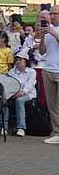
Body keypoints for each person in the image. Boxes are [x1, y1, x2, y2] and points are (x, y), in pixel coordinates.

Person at [38, 8, 59, 144]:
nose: (51, 16)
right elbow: (42, 51)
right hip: (48, 69)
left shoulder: (53, 30)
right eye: (50, 14)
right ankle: (56, 131)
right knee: (51, 105)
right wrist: (42, 36)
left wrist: (54, 33)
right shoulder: (48, 31)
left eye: (54, 13)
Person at [4, 50, 36, 137]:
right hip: (13, 93)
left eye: (20, 60)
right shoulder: (11, 72)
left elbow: (30, 86)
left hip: (28, 94)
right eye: (17, 60)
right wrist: (11, 94)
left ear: (25, 61)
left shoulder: (32, 72)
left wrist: (22, 93)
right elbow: (9, 83)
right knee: (4, 100)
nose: (18, 62)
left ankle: (21, 128)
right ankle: (4, 127)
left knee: (19, 100)